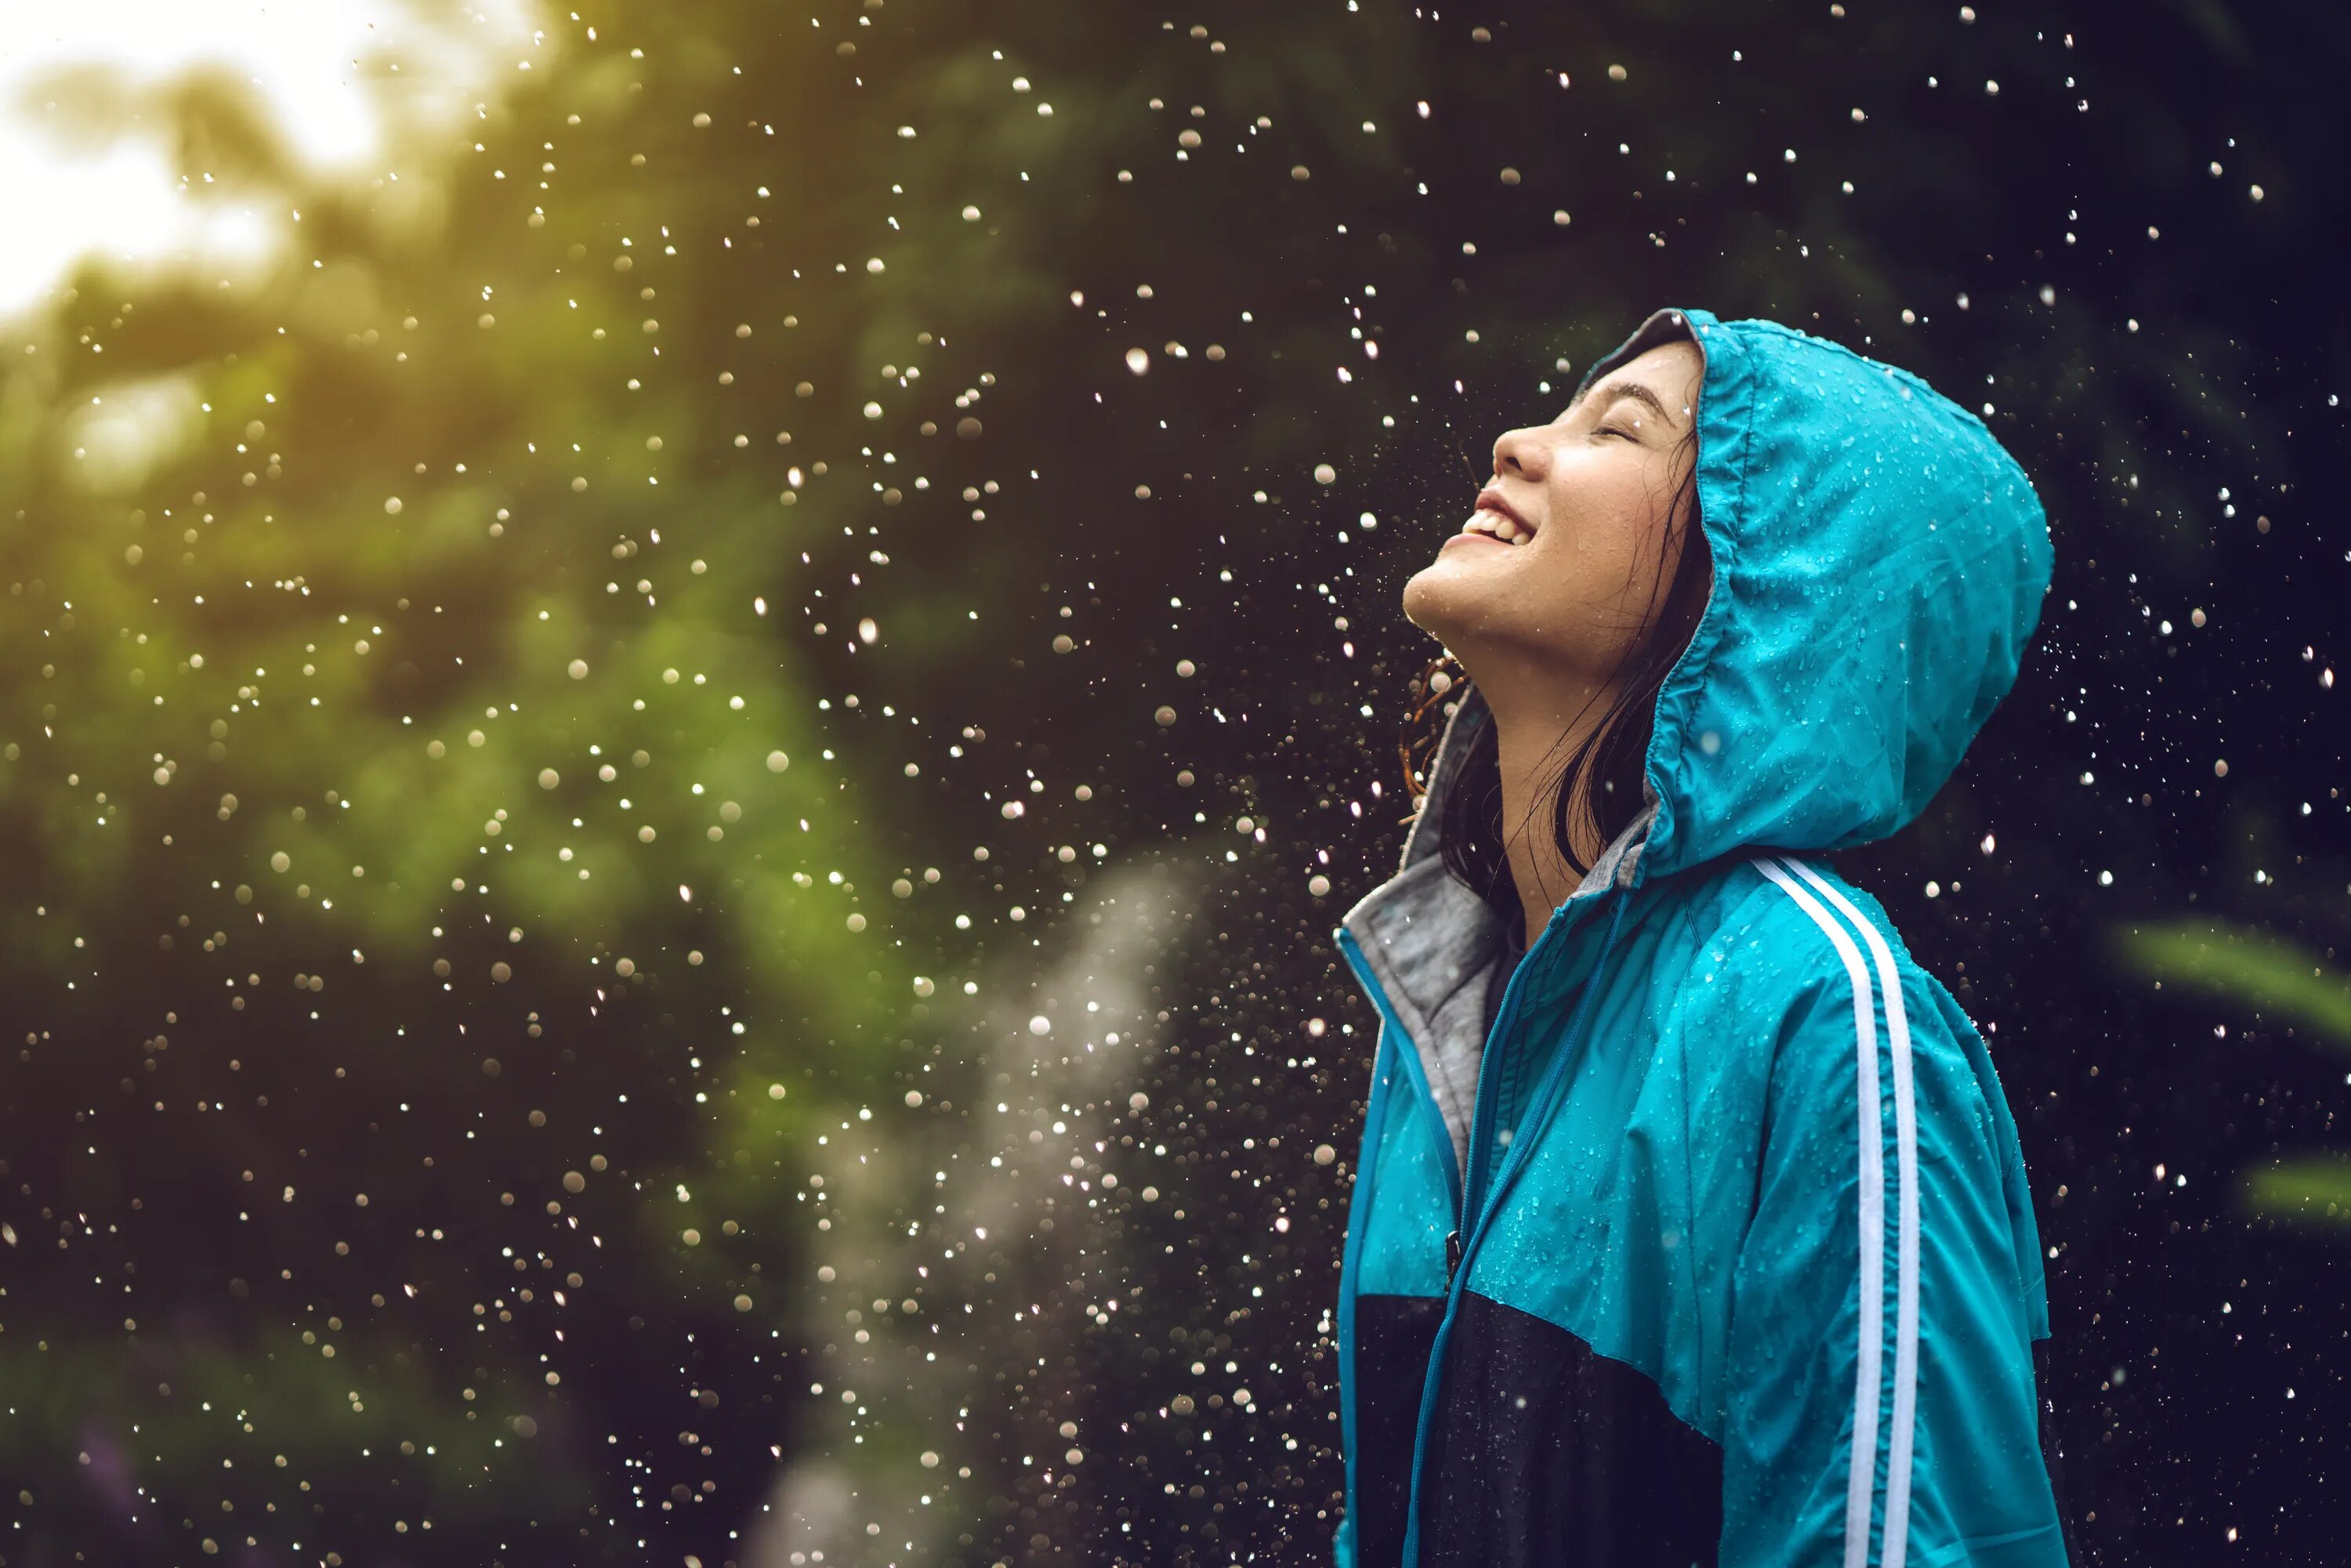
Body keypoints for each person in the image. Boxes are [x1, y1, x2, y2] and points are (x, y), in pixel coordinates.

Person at [1331, 307, 2078, 1568]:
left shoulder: (1822, 1014)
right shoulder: (1455, 993)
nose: (1518, 444)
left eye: (1616, 429)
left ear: (1766, 584)